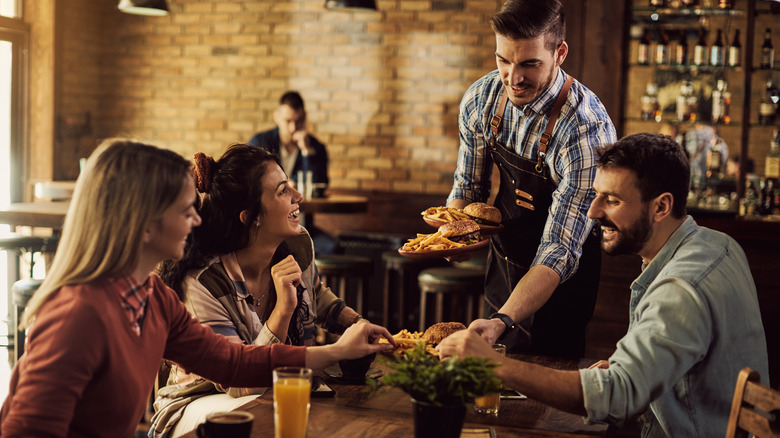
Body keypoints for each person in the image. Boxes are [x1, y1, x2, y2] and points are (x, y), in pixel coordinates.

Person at [0, 139, 394, 438]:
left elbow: (236, 363)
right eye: (185, 209)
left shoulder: (153, 300)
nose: (196, 219)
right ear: (145, 224)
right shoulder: (78, 316)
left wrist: (338, 350)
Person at [439, 133, 769, 437]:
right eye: (596, 195)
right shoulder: (719, 245)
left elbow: (617, 398)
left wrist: (495, 364)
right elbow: (692, 355)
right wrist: (637, 368)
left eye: (611, 199)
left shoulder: (679, 290)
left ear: (661, 206)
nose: (593, 211)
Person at [149, 144, 365, 437]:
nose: (298, 197)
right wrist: (283, 311)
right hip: (197, 402)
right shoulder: (204, 284)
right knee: (262, 409)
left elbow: (317, 295)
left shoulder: (298, 244)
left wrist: (357, 324)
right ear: (251, 216)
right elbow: (242, 381)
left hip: (273, 389)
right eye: (282, 191)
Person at [447, 0, 616, 357]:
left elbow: (558, 250)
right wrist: (454, 236)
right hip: (502, 270)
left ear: (560, 53)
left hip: (559, 292)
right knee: (488, 398)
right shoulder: (482, 100)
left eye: (529, 64)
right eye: (503, 60)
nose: (513, 77)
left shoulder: (586, 131)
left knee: (546, 403)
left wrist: (503, 320)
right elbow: (468, 188)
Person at [249, 90, 336, 255]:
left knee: (331, 248)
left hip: (302, 224)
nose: (293, 127)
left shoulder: (316, 148)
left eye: (299, 120)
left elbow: (319, 186)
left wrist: (305, 151)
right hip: (267, 226)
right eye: (288, 120)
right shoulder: (260, 142)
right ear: (276, 117)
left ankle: (313, 281)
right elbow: (251, 185)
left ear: (305, 118)